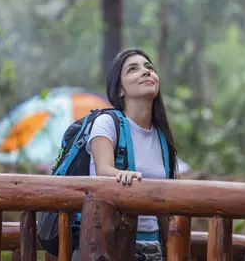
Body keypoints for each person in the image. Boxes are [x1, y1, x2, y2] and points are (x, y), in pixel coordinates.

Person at [72, 49, 177, 261]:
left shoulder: (162, 137)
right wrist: (122, 175)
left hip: (152, 249)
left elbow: (165, 207)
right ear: (120, 89)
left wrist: (172, 251)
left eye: (149, 68)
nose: (145, 72)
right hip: (109, 247)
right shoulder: (107, 123)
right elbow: (103, 170)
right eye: (133, 69)